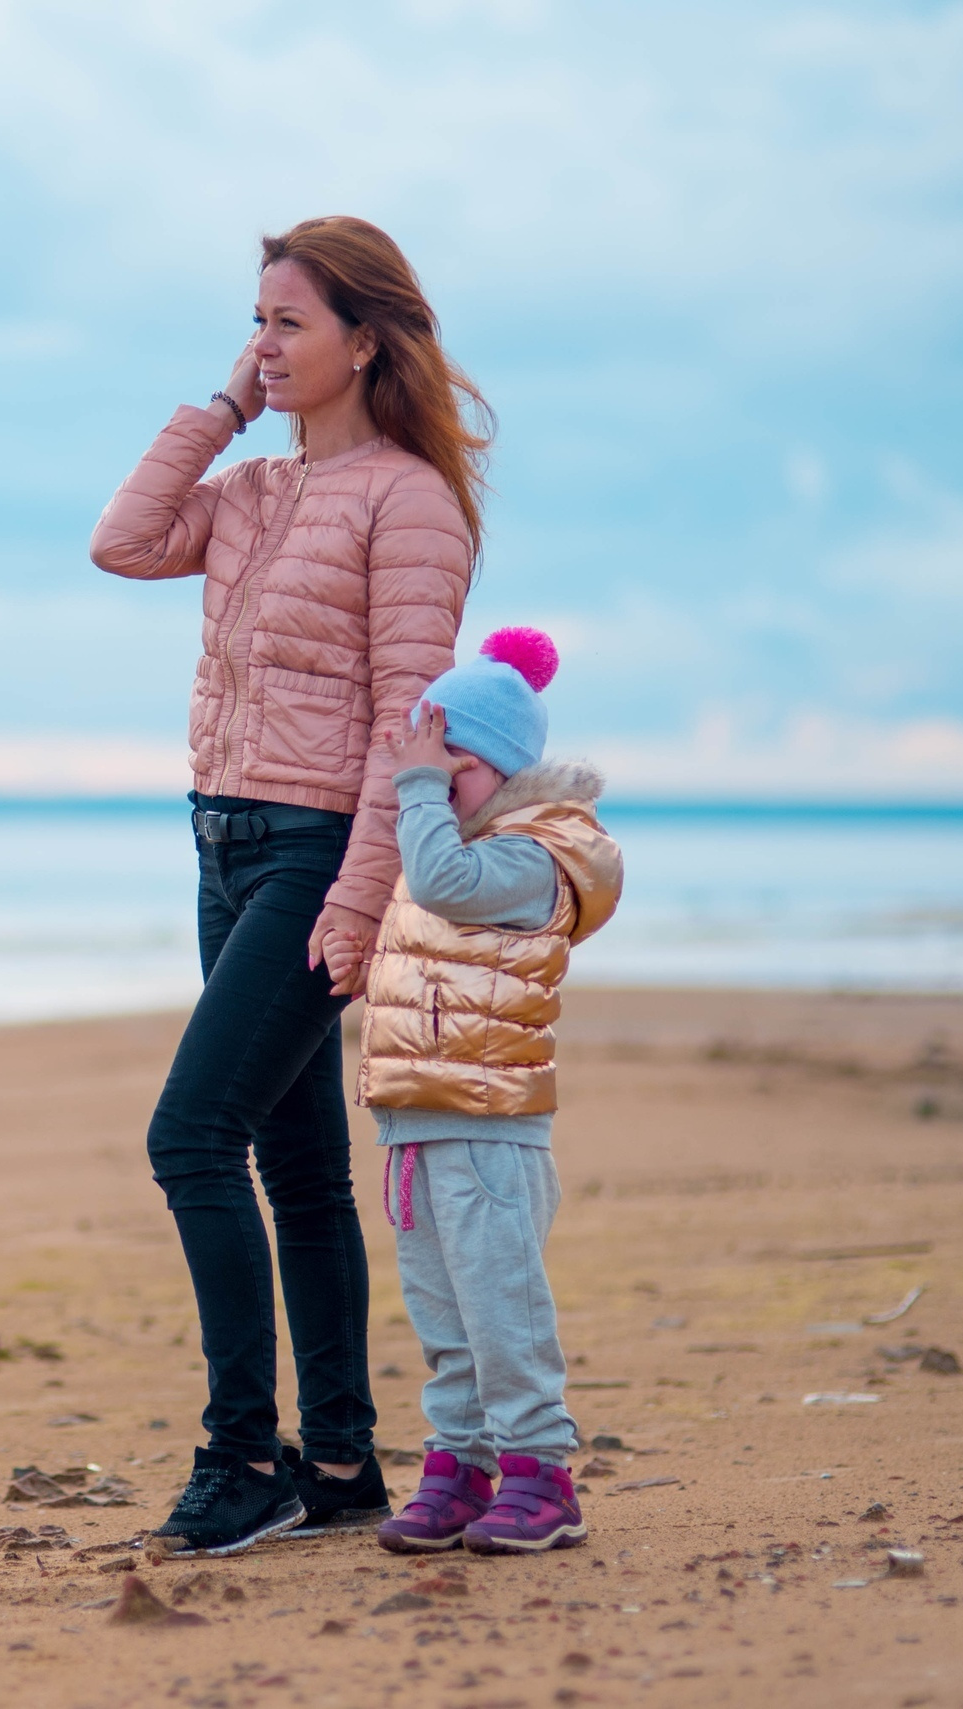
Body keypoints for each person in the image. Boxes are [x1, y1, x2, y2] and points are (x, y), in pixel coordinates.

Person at [89, 216, 491, 1555]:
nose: (262, 348)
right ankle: (339, 1461)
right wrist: (218, 408)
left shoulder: (409, 501)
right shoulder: (253, 493)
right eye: (254, 321)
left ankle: (241, 1456)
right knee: (299, 1165)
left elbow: (404, 721)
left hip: (317, 853)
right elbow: (124, 540)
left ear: (365, 340)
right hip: (220, 842)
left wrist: (362, 894)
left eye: (287, 325)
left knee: (189, 1136)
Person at [322, 627, 623, 1555]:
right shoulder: (456, 836)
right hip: (419, 1125)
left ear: (495, 766)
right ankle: (461, 1464)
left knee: (503, 1312)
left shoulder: (530, 860)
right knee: (446, 1317)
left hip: (491, 1137)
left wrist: (416, 790)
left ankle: (542, 1472)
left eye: (446, 769)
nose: (430, 788)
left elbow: (445, 886)